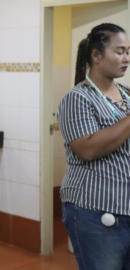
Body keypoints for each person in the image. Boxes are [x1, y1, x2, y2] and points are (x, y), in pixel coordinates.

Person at [58, 23, 130, 269]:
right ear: (96, 56)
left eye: (128, 51)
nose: (126, 58)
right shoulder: (77, 98)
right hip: (95, 211)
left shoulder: (127, 95)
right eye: (119, 51)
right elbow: (87, 149)